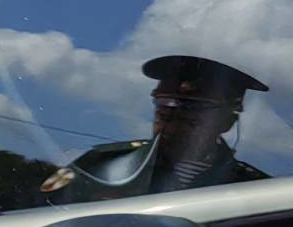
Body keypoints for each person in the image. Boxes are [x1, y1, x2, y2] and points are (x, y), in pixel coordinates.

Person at [42, 55, 270, 203]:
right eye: (162, 109)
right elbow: (37, 221)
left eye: (191, 114)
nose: (170, 124)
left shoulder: (254, 191)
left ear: (227, 121)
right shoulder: (102, 166)